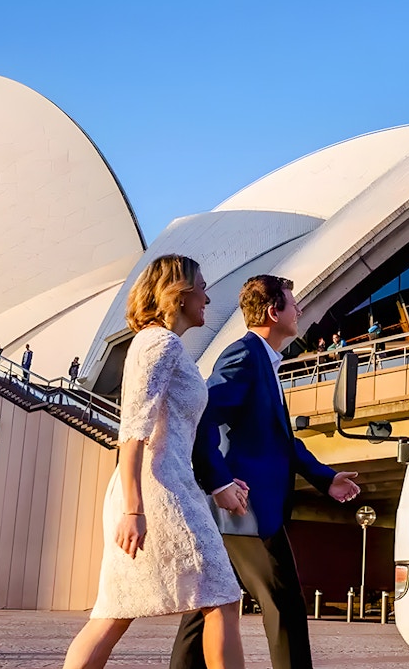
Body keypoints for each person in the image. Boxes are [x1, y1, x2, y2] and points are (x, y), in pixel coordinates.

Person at [64, 254, 244, 669]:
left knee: (115, 613)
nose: (207, 296)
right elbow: (133, 428)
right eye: (201, 286)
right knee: (220, 596)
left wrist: (221, 485)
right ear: (178, 294)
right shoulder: (157, 343)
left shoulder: (167, 346)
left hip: (169, 485)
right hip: (156, 491)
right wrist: (133, 507)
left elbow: (180, 432)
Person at [172, 275, 361, 669]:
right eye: (294, 304)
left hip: (245, 508)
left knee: (206, 607)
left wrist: (325, 478)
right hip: (244, 509)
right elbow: (203, 417)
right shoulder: (243, 356)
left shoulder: (266, 362)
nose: (301, 310)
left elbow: (281, 441)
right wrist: (220, 483)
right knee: (284, 604)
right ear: (274, 312)